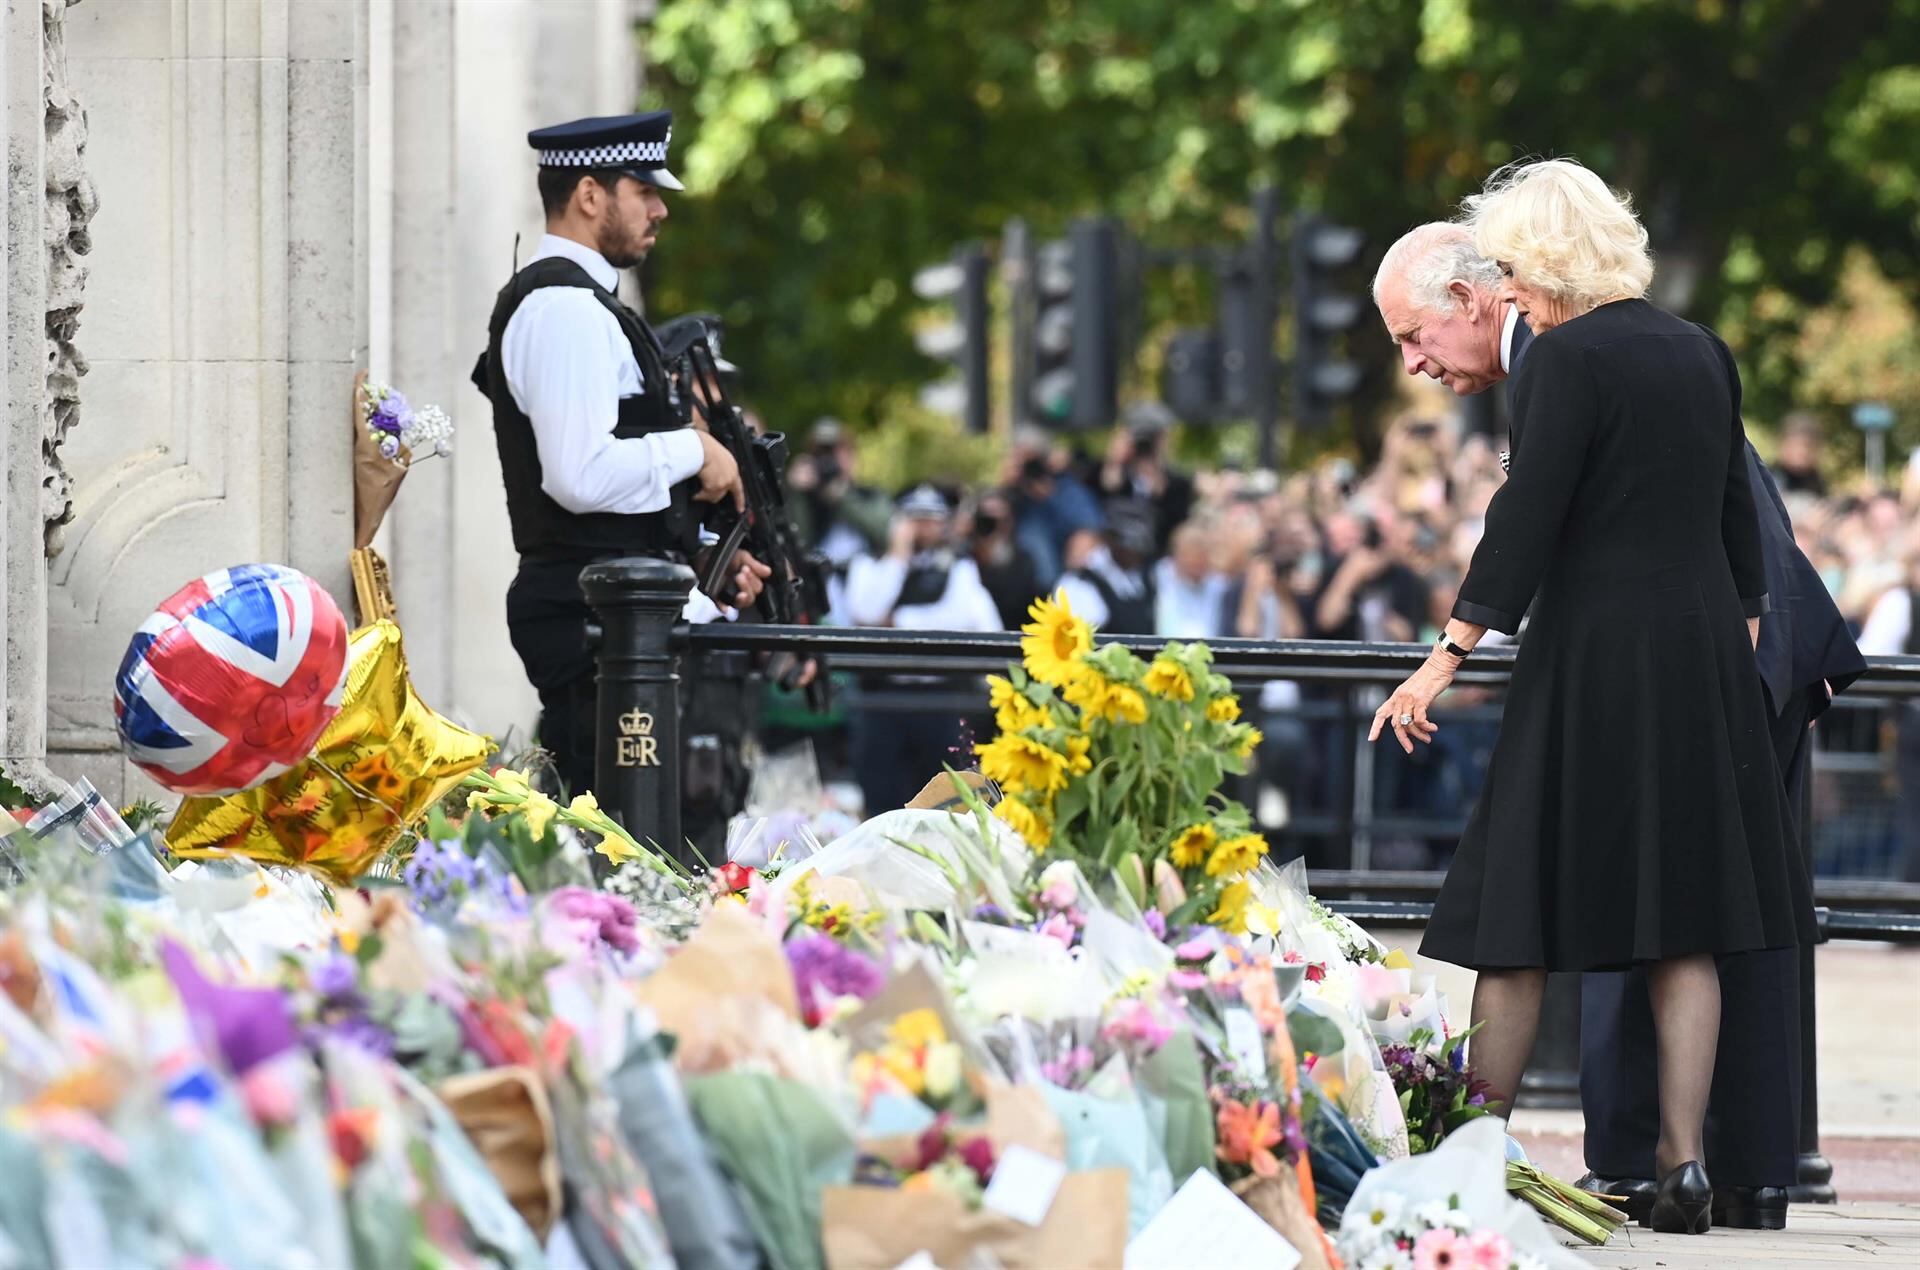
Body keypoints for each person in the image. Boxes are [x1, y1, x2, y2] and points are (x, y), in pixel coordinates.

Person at [1368, 159, 1812, 1236]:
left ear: (1536, 252)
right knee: (1687, 925)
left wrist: (1446, 654)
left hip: (1596, 654)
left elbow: (1528, 519)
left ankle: (1474, 1150)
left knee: (1515, 910)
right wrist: (1738, 627)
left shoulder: (1562, 360)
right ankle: (1684, 1165)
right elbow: (1735, 523)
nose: (1505, 285)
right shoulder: (1700, 350)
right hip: (1701, 651)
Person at [475, 110, 768, 799]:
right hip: (593, 623)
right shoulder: (564, 309)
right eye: (644, 190)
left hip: (613, 615)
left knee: (654, 847)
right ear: (589, 195)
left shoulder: (587, 307)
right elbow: (579, 477)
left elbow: (611, 489)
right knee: (626, 848)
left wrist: (704, 559)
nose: (660, 208)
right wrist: (694, 448)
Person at [841, 485, 1002, 813]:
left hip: (941, 698)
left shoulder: (958, 566)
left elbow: (960, 619)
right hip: (882, 698)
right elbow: (865, 612)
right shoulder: (870, 563)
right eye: (915, 519)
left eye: (932, 519)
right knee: (882, 804)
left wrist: (896, 619)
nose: (923, 528)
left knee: (948, 805)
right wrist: (897, 557)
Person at [1099, 405, 1194, 555]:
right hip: (1114, 558)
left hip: (1155, 562)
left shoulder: (1178, 485)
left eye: (1152, 437)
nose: (1145, 445)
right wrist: (1113, 462)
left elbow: (1177, 528)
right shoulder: (1107, 473)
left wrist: (1161, 487)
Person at [1056, 500, 1157, 634]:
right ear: (1109, 539)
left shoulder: (1146, 578)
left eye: (1139, 549)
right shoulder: (1080, 581)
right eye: (1128, 547)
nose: (1134, 554)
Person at [1154, 521, 1228, 638]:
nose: (1194, 563)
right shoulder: (1158, 576)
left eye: (1201, 557)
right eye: (1189, 556)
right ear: (1177, 555)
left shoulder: (1220, 585)